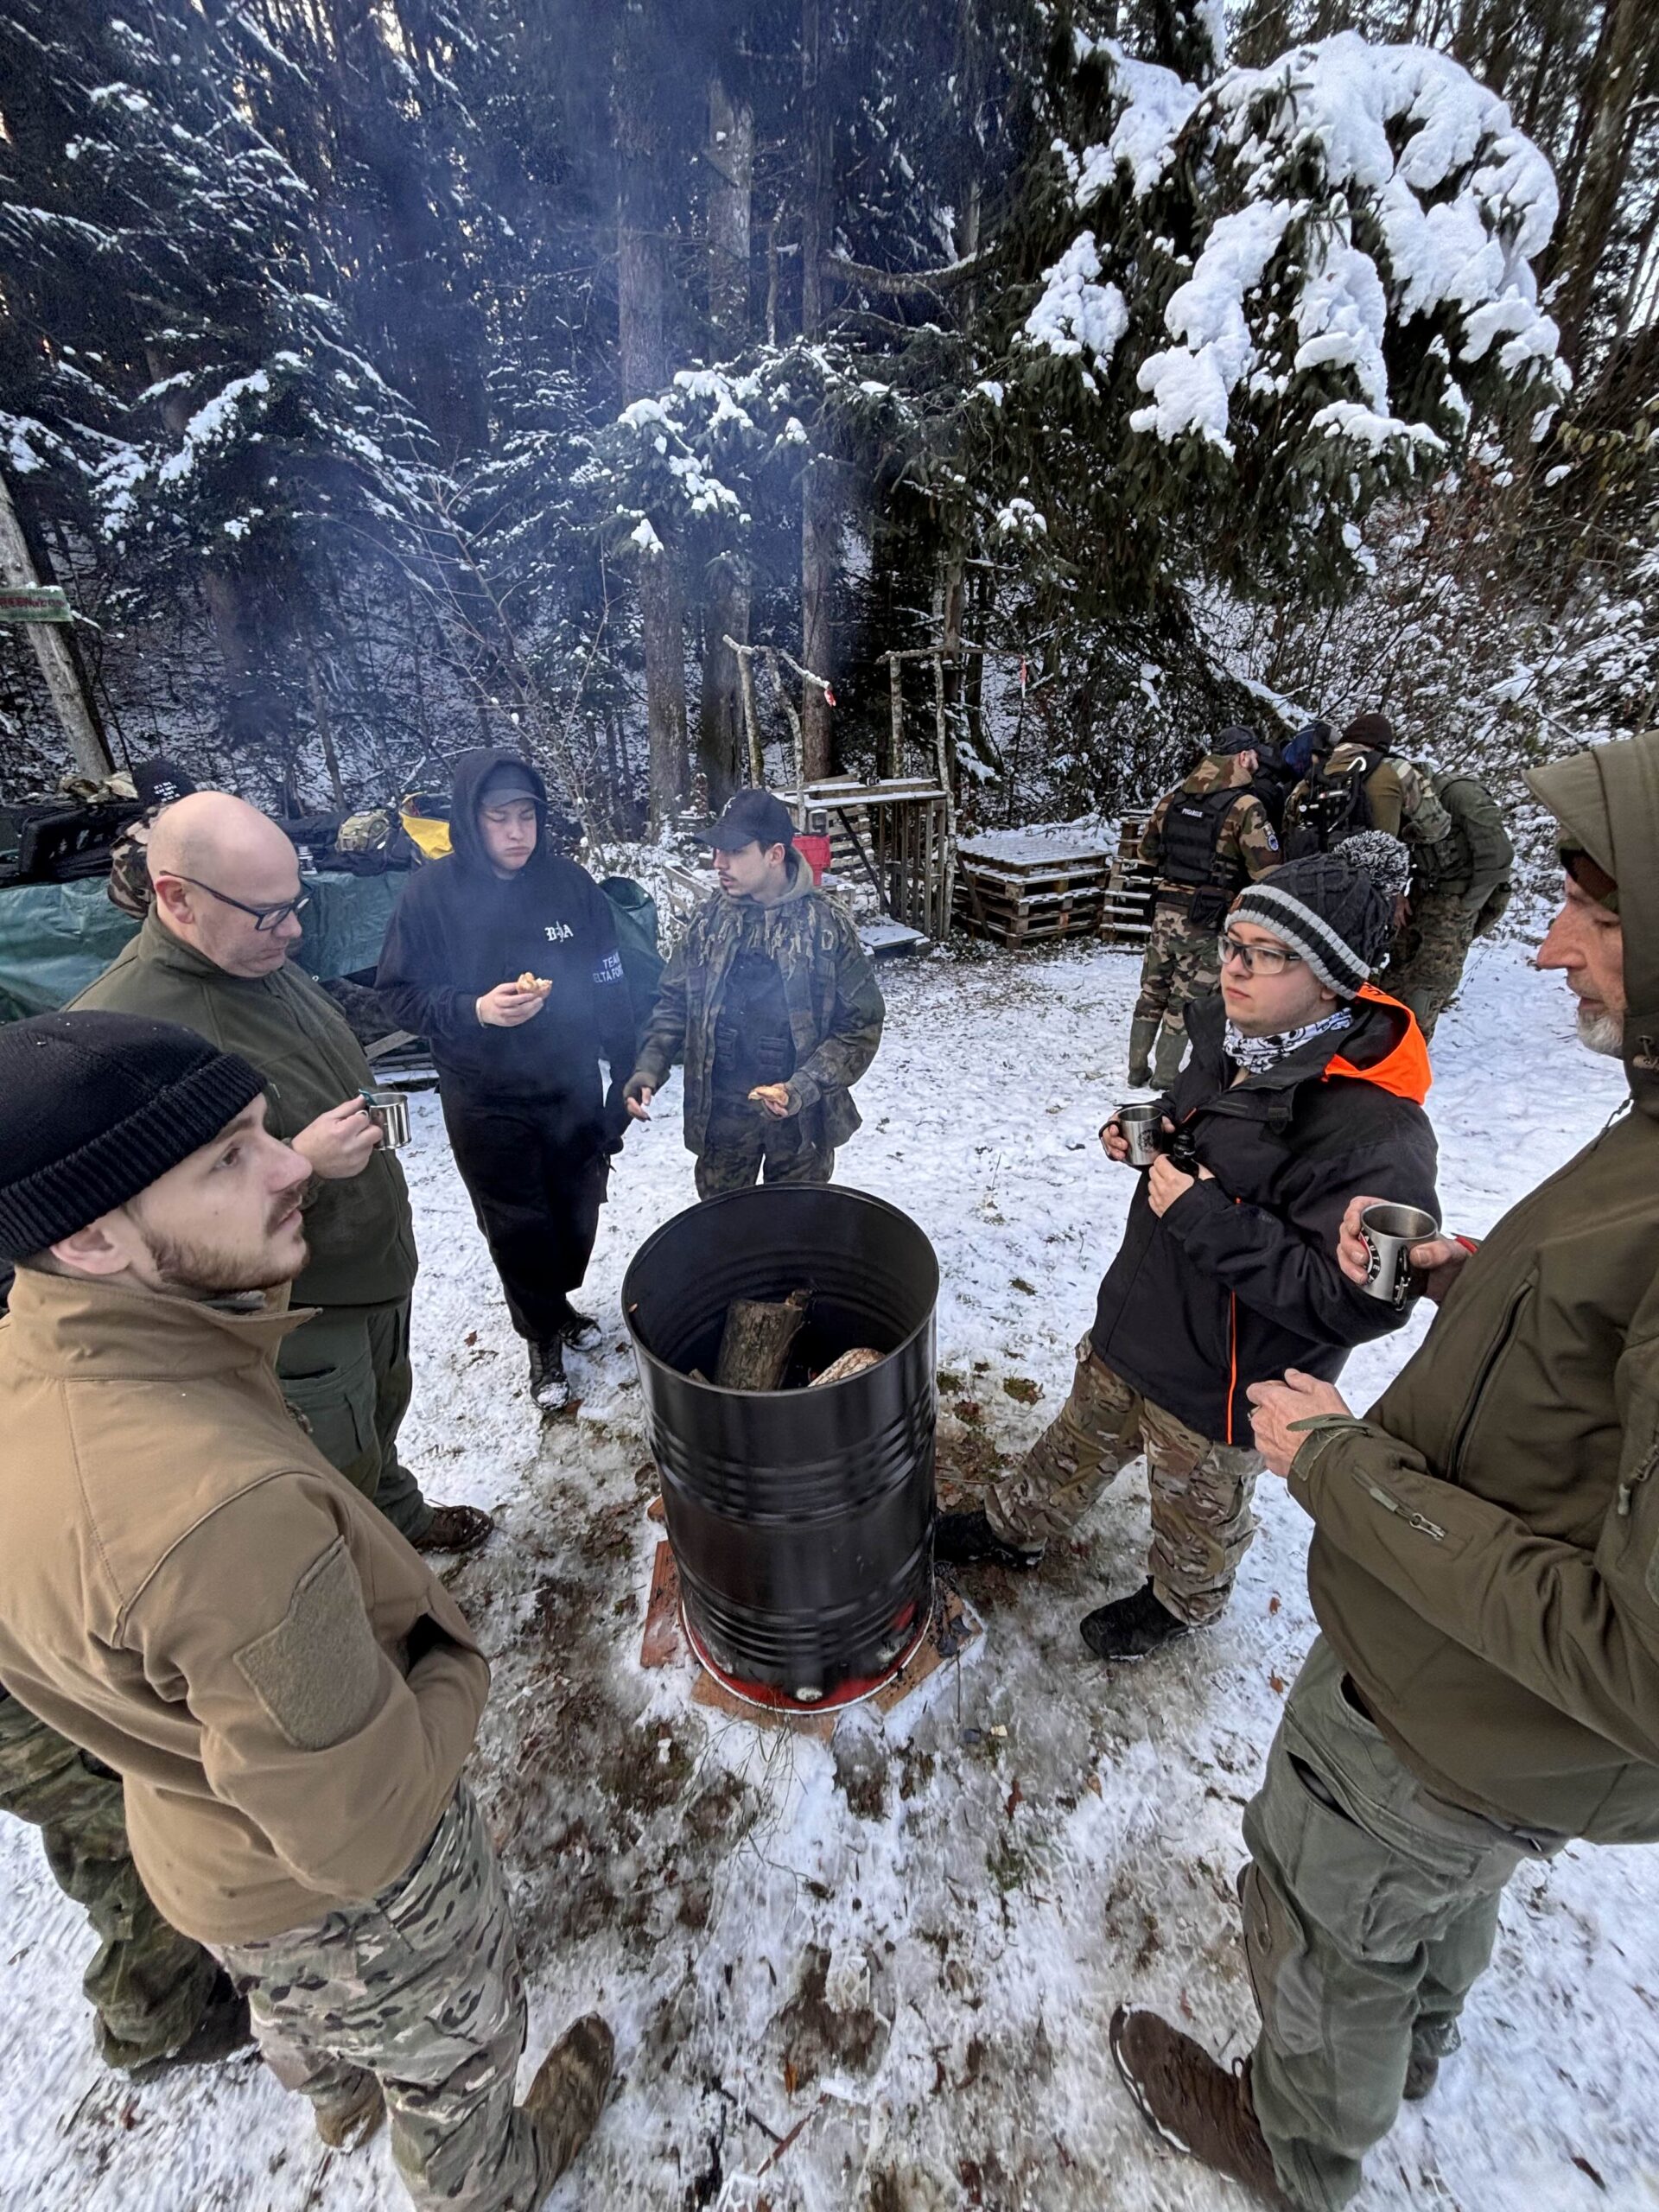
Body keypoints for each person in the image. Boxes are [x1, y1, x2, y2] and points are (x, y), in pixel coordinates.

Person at [1107, 726, 1659, 2212]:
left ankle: (1293, 2145)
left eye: (1595, 914)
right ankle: (1410, 2044)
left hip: (1465, 1698)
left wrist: (1343, 1470)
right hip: (1474, 1698)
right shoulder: (1647, 1136)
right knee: (1434, 1888)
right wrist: (1468, 1281)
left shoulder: (1371, 1115)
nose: (1546, 947)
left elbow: (1641, 1655)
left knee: (1331, 1903)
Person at [0, 1011, 613, 2209]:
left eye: (261, 1131)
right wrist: (455, 1666)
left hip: (203, 1847)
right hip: (341, 1891)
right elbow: (365, 1827)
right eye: (227, 1159)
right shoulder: (218, 1518)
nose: (292, 1164)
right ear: (89, 1236)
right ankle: (490, 2174)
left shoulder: (55, 1361)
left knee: (294, 2005)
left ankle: (334, 2093)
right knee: (449, 2045)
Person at [937, 852, 1438, 1660]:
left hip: (1221, 1382)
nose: (1233, 967)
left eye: (1265, 955)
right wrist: (1155, 1128)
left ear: (1330, 980)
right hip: (1136, 1319)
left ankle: (1181, 1603)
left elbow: (1361, 1303)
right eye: (1233, 945)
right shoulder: (1233, 1039)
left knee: (1196, 1511)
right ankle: (1014, 1527)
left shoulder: (1377, 1132)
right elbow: (1195, 1116)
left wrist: (1207, 1215)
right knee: (1072, 1444)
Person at [69, 791, 486, 1554]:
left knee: (379, 1418)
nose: (293, 931)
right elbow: (144, 1238)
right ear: (177, 898)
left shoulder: (253, 957)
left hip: (372, 1269)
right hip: (299, 1314)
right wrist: (303, 1165)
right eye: (269, 914)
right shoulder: (125, 1037)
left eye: (296, 905)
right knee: (329, 1470)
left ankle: (398, 1516)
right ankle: (368, 1586)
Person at [376, 752, 639, 1415]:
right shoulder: (430, 896)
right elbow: (398, 995)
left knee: (577, 1211)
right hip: (484, 1094)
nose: (517, 831)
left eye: (528, 815)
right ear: (472, 819)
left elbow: (609, 979)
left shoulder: (570, 886)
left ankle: (557, 1301)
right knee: (518, 1224)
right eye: (500, 818)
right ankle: (541, 1335)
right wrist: (474, 1009)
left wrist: (626, 1064)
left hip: (569, 1082)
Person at [623, 788, 886, 1198]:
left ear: (774, 854)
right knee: (725, 1225)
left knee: (794, 1227)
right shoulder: (710, 922)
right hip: (722, 1117)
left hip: (802, 1124)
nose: (718, 862)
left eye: (734, 851)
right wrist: (649, 1067)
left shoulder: (824, 928)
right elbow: (674, 1002)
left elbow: (861, 1028)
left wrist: (802, 1087)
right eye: (717, 850)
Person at [0, 1688, 251, 2076]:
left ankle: (167, 2000)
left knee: (111, 1834)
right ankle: (159, 2026)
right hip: (27, 1711)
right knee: (143, 1844)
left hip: (29, 1699)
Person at [1129, 726, 1282, 1090]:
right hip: (1207, 919)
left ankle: (1136, 1070)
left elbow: (1145, 853)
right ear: (1242, 757)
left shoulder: (1172, 799)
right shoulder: (1245, 806)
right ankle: (1165, 1078)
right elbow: (1267, 871)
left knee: (1151, 992)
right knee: (1186, 1000)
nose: (1257, 761)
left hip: (1165, 911)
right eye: (1254, 755)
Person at [1384, 764, 1515, 1041]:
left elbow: (1497, 858)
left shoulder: (1462, 795)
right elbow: (1395, 847)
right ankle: (1383, 1042)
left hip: (1456, 899)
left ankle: (1412, 1049)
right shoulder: (1398, 799)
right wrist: (1396, 893)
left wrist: (1466, 907)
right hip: (1421, 893)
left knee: (1429, 985)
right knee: (1397, 970)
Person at [1281, 709, 1453, 861]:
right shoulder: (1397, 769)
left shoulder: (1310, 778)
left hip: (1315, 878)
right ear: (1383, 745)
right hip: (1372, 880)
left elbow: (1287, 829)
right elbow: (1437, 827)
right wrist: (1405, 834)